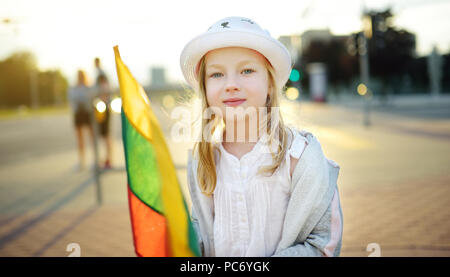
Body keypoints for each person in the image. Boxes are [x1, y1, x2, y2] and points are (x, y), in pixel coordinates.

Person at [180, 16, 343, 257]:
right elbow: (201, 238)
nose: (231, 84)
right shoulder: (204, 162)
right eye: (216, 74)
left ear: (270, 84)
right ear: (204, 88)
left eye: (247, 70)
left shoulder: (301, 158)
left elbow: (323, 245)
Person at [68, 70, 94, 170]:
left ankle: (95, 160)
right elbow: (71, 99)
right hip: (78, 113)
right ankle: (81, 161)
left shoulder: (88, 87)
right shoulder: (74, 88)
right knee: (80, 138)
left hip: (87, 113)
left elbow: (91, 98)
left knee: (91, 137)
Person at [94, 58, 113, 169]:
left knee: (106, 135)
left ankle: (108, 159)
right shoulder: (99, 74)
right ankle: (106, 158)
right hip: (101, 108)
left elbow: (105, 91)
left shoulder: (102, 75)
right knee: (103, 135)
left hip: (104, 108)